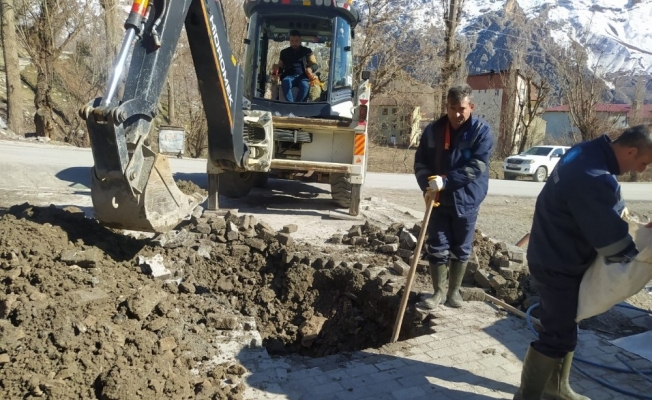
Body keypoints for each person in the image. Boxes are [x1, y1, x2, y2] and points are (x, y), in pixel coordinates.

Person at [514, 124, 652, 400]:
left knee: (566, 324)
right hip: (557, 263)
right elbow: (611, 241)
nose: (641, 171)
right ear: (631, 150)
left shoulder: (586, 151)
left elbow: (606, 208)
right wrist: (638, 255)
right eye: (643, 162)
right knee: (557, 335)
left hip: (554, 252)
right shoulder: (594, 176)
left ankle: (556, 388)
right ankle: (527, 396)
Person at [414, 84, 494, 309]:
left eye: (462, 108)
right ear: (446, 107)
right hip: (438, 199)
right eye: (452, 108)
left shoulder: (481, 131)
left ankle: (454, 292)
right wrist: (427, 185)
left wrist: (446, 181)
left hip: (467, 198)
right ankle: (438, 292)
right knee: (437, 245)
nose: (457, 114)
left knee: (461, 247)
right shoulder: (433, 131)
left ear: (471, 106)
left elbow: (477, 165)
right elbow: (421, 161)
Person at [272, 30, 320, 103]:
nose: (294, 43)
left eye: (296, 41)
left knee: (305, 86)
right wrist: (277, 68)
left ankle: (299, 104)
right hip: (289, 76)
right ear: (289, 41)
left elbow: (315, 65)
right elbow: (281, 67)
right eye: (292, 41)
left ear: (300, 40)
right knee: (285, 82)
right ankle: (290, 104)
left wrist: (310, 68)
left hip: (303, 76)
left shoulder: (307, 51)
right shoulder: (284, 52)